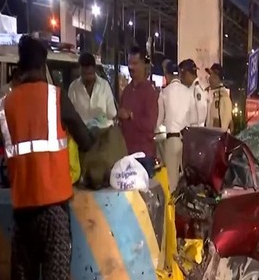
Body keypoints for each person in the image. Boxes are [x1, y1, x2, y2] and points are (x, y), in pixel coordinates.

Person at [0, 35, 95, 280]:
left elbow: (0, 147)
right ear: (43, 66)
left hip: (22, 208)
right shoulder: (56, 98)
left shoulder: (4, 105)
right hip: (54, 206)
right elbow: (85, 138)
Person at [119, 46, 159, 177]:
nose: (131, 67)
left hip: (144, 156)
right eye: (129, 63)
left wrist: (131, 116)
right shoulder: (127, 91)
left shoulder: (150, 91)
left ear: (143, 65)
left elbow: (150, 125)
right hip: (127, 154)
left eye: (135, 63)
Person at [157, 60, 191, 192]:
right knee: (184, 179)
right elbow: (193, 117)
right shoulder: (188, 92)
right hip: (185, 140)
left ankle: (173, 210)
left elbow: (159, 119)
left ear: (167, 75)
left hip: (171, 140)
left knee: (171, 181)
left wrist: (154, 130)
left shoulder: (164, 93)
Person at [68, 52, 117, 129]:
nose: (87, 77)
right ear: (80, 71)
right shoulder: (74, 87)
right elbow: (70, 115)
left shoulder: (104, 85)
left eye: (90, 74)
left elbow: (112, 113)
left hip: (102, 135)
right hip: (81, 135)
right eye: (85, 74)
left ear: (94, 70)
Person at [179, 59, 208, 128]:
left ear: (187, 73)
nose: (180, 78)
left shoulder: (197, 89)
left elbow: (201, 114)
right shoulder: (190, 88)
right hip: (189, 129)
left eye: (181, 75)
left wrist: (197, 133)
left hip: (195, 130)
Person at [206, 63, 233, 132]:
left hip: (218, 138)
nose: (209, 79)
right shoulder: (216, 95)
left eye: (210, 75)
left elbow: (226, 123)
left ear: (216, 77)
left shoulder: (223, 97)